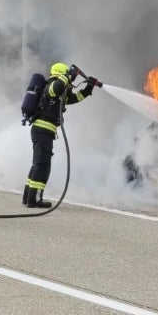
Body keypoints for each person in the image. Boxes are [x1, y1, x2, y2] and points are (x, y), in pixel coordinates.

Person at [23, 62, 95, 208]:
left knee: (38, 164)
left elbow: (75, 98)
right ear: (62, 75)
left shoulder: (59, 94)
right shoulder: (51, 86)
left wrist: (89, 87)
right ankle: (34, 199)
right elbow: (57, 87)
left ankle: (28, 197)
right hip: (42, 131)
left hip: (44, 132)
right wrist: (68, 75)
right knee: (42, 165)